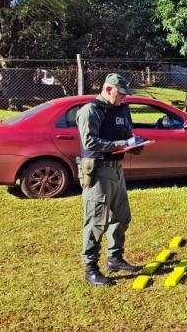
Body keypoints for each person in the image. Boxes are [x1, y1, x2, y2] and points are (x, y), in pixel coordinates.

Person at [76, 73, 145, 286]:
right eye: (121, 94)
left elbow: (127, 134)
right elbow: (90, 141)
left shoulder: (122, 109)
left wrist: (135, 145)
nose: (124, 98)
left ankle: (115, 258)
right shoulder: (91, 110)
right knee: (96, 221)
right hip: (98, 172)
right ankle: (91, 268)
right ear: (108, 90)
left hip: (116, 171)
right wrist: (121, 143)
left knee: (121, 217)